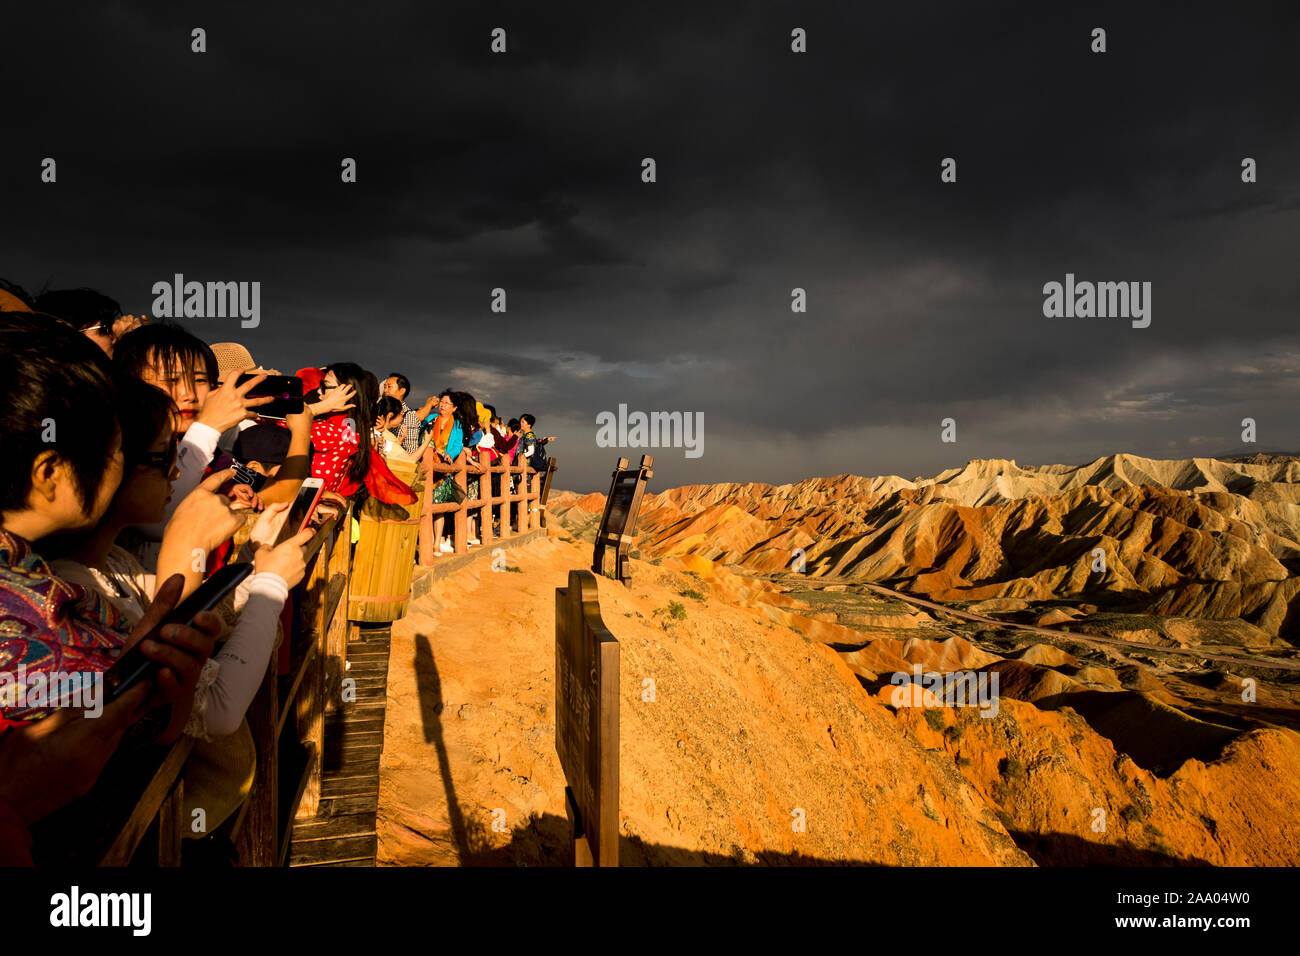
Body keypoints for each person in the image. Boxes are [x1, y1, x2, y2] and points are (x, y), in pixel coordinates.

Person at [0, 315, 220, 858]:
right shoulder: (34, 610)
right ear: (50, 472)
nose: (122, 469)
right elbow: (98, 731)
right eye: (116, 450)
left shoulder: (33, 576)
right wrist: (184, 551)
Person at [382, 373, 424, 454]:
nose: (385, 390)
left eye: (389, 387)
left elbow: (410, 451)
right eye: (385, 387)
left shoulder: (408, 416)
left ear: (402, 391)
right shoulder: (381, 408)